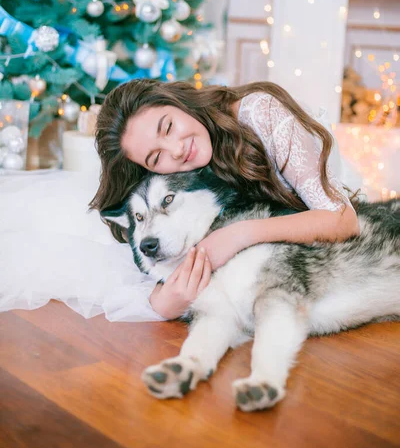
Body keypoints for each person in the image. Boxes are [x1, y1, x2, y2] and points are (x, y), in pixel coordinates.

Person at [90, 78, 360, 321]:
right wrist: (163, 299)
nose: (177, 149)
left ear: (177, 102)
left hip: (343, 224)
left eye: (169, 127)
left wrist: (237, 235)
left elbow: (344, 221)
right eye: (156, 157)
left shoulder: (261, 114)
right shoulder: (178, 177)